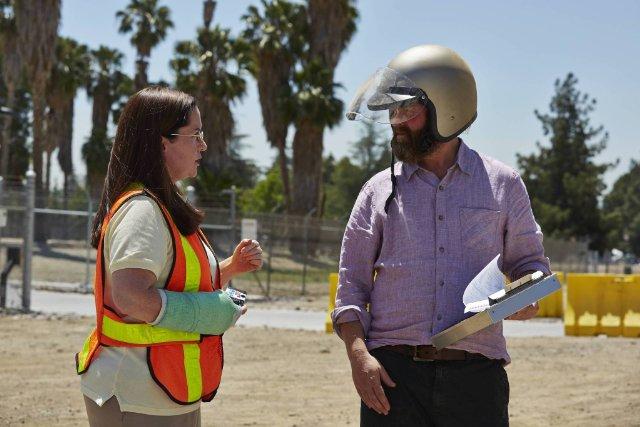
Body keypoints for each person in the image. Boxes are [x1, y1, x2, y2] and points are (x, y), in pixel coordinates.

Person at [332, 45, 551, 426]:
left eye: (407, 111)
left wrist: (527, 295)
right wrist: (358, 356)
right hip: (393, 378)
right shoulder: (376, 191)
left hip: (476, 381)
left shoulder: (504, 185)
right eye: (392, 112)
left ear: (446, 109)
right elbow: (350, 289)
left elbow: (532, 268)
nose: (396, 122)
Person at [76, 86, 263, 426]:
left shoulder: (162, 206)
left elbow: (176, 280)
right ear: (163, 143)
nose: (203, 145)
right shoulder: (142, 211)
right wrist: (210, 313)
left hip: (163, 390)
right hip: (137, 393)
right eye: (196, 135)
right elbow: (131, 296)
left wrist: (230, 268)